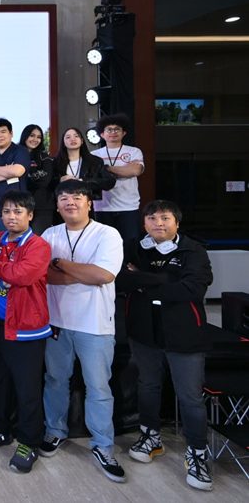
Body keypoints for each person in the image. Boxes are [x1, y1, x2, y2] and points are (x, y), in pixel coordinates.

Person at [116, 200, 214, 491]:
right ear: (144, 222)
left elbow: (192, 288)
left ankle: (197, 453)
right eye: (152, 218)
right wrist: (162, 279)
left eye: (165, 218)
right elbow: (120, 280)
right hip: (143, 330)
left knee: (190, 396)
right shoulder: (133, 247)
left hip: (184, 333)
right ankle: (151, 437)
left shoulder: (193, 250)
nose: (158, 223)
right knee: (148, 385)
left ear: (177, 223)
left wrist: (142, 281)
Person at [40, 180, 125, 483]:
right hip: (57, 321)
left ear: (89, 203)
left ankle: (103, 446)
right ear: (57, 205)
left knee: (98, 387)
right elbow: (43, 275)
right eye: (63, 198)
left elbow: (103, 274)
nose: (70, 202)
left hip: (96, 324)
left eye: (77, 197)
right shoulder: (49, 234)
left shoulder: (108, 234)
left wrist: (61, 264)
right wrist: (83, 273)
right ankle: (55, 431)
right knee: (55, 380)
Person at [0, 191, 51, 474]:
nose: (11, 217)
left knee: (27, 388)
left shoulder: (38, 245)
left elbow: (24, 275)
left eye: (18, 212)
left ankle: (29, 442)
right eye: (7, 211)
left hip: (25, 329)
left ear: (30, 215)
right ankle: (1, 428)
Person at [92, 114, 146, 243]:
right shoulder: (93, 155)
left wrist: (106, 168)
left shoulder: (134, 151)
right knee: (104, 244)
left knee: (129, 244)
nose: (113, 132)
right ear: (102, 134)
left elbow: (135, 170)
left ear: (124, 133)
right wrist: (124, 169)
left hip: (129, 206)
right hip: (102, 207)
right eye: (109, 130)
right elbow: (93, 178)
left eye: (117, 129)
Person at [50, 127, 116, 203]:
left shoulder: (95, 161)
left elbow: (109, 182)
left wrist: (83, 181)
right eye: (68, 137)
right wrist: (60, 180)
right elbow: (48, 184)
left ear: (81, 141)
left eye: (76, 136)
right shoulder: (55, 162)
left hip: (88, 203)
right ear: (63, 143)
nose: (72, 139)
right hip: (63, 203)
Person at [18, 124, 54, 234]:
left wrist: (25, 179)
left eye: (39, 137)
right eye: (32, 135)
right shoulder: (15, 154)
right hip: (19, 204)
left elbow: (44, 181)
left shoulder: (45, 157)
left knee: (38, 238)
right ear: (25, 136)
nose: (35, 139)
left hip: (42, 206)